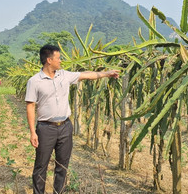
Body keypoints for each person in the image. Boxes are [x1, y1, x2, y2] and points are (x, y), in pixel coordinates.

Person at [25, 44, 119, 194]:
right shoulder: (34, 81)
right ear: (49, 60)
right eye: (58, 58)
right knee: (41, 166)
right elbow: (30, 106)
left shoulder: (64, 75)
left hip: (65, 126)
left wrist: (107, 73)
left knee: (62, 165)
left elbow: (86, 75)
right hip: (45, 128)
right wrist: (32, 132)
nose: (60, 61)